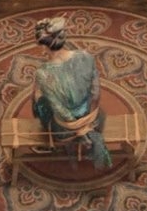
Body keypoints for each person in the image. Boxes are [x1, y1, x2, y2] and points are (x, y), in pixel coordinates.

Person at [30, 17, 110, 169]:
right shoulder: (86, 56)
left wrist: (79, 128)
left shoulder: (42, 73)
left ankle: (58, 142)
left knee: (38, 99)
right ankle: (88, 135)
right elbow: (96, 94)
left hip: (64, 130)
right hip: (94, 119)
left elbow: (59, 109)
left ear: (44, 46)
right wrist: (88, 122)